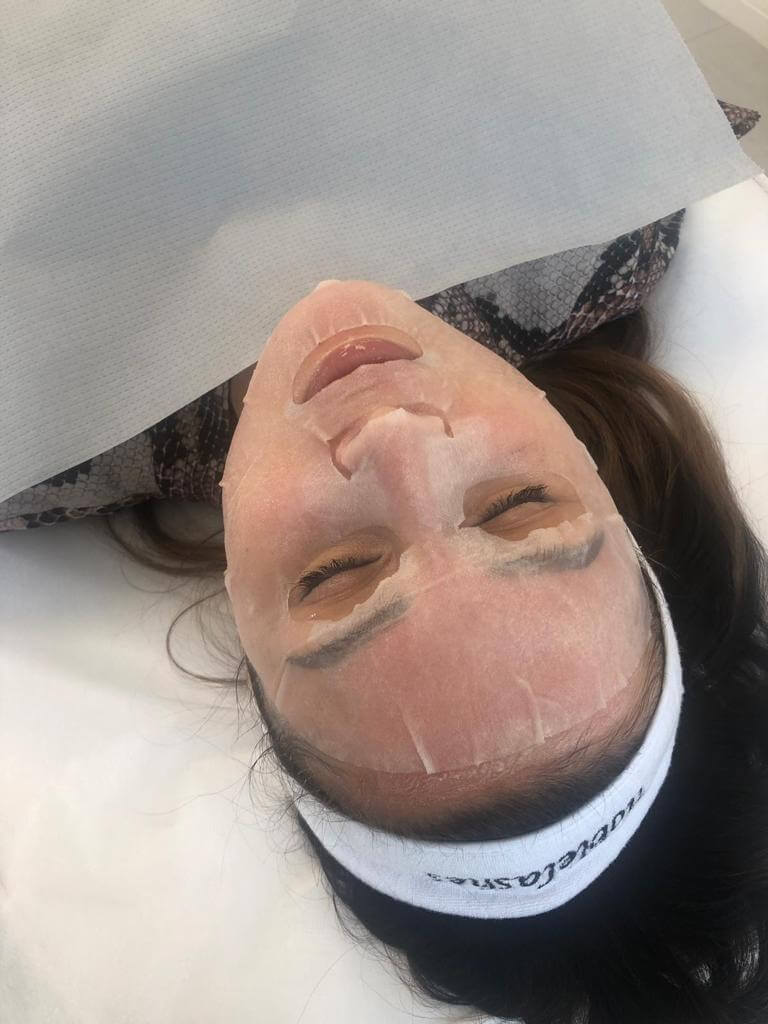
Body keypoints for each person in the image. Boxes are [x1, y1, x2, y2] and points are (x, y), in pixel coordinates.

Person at [102, 278, 768, 1024]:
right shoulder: (599, 240)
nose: (394, 437)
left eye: (337, 574)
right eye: (517, 505)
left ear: (249, 660)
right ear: (603, 488)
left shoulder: (38, 430)